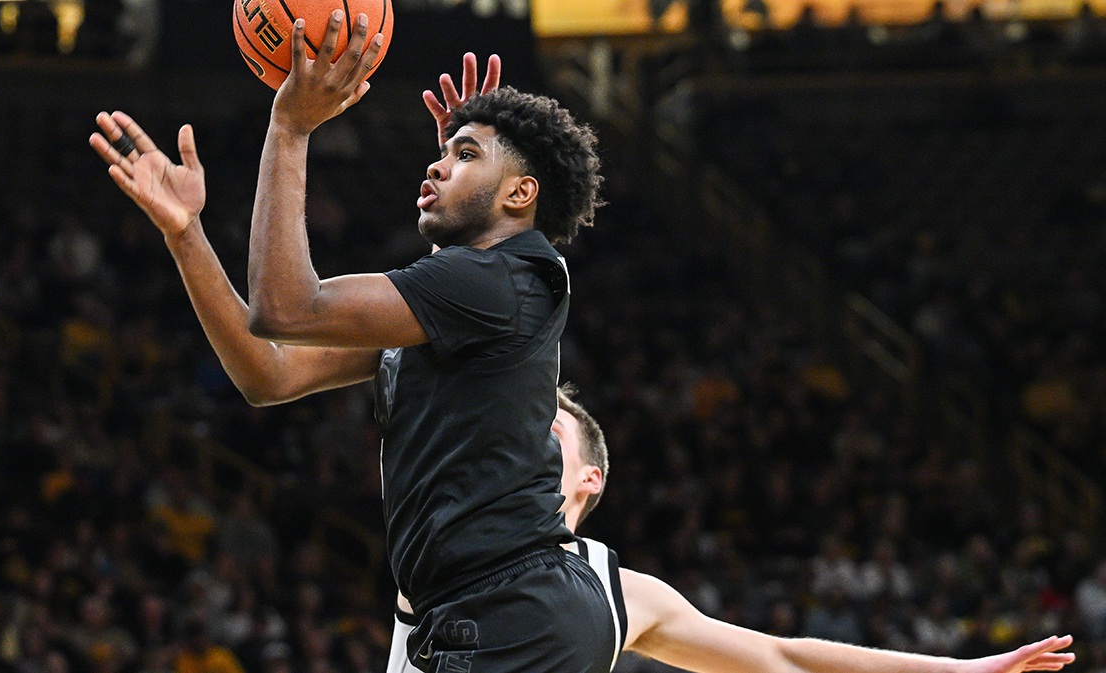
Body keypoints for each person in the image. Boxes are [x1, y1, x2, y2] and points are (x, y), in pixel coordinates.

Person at [89, 14, 611, 673]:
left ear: (521, 193)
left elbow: (285, 307)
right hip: (483, 608)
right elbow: (266, 375)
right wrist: (186, 234)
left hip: (515, 605)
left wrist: (290, 126)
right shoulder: (451, 308)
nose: (438, 161)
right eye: (445, 151)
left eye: (466, 155)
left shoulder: (508, 279)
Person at [387, 386, 1077, 673]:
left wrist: (960, 668)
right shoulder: (458, 527)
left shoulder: (624, 593)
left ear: (590, 477)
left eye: (549, 430)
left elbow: (785, 659)